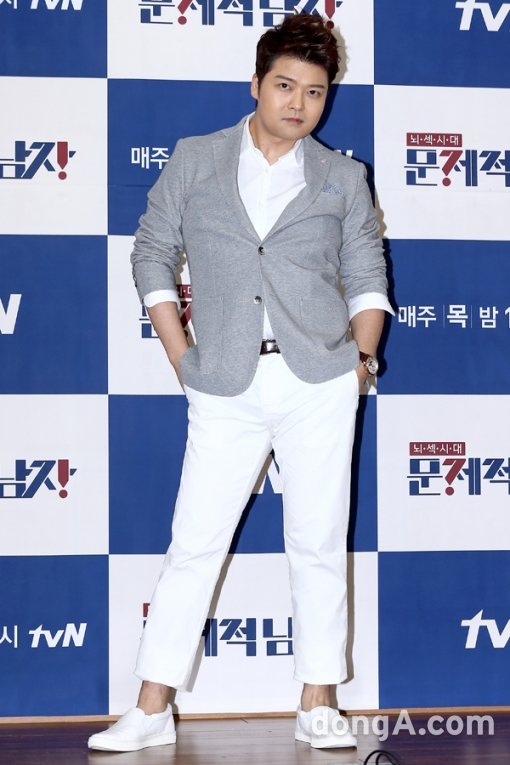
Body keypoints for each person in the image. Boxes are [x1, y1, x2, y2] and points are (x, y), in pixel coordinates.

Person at [88, 12, 393, 753]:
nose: (299, 103)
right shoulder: (196, 158)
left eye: (315, 92)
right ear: (255, 83)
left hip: (319, 380)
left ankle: (319, 700)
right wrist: (180, 356)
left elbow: (366, 273)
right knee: (194, 542)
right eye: (285, 85)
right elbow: (151, 252)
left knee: (318, 540)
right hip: (223, 379)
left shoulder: (343, 176)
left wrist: (361, 362)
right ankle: (151, 707)